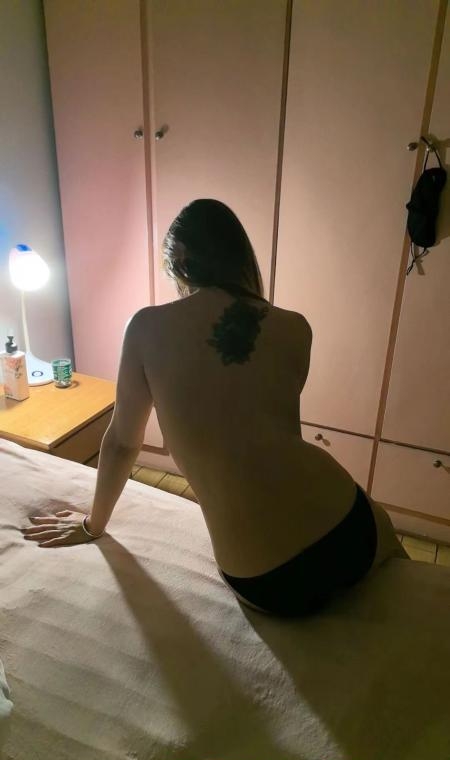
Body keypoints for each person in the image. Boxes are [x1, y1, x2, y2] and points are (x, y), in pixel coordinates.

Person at [23, 199, 409, 617]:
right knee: (401, 568)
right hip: (348, 527)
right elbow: (284, 440)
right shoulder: (295, 327)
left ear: (180, 260)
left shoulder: (146, 327)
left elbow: (120, 443)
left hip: (267, 579)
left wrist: (92, 525)